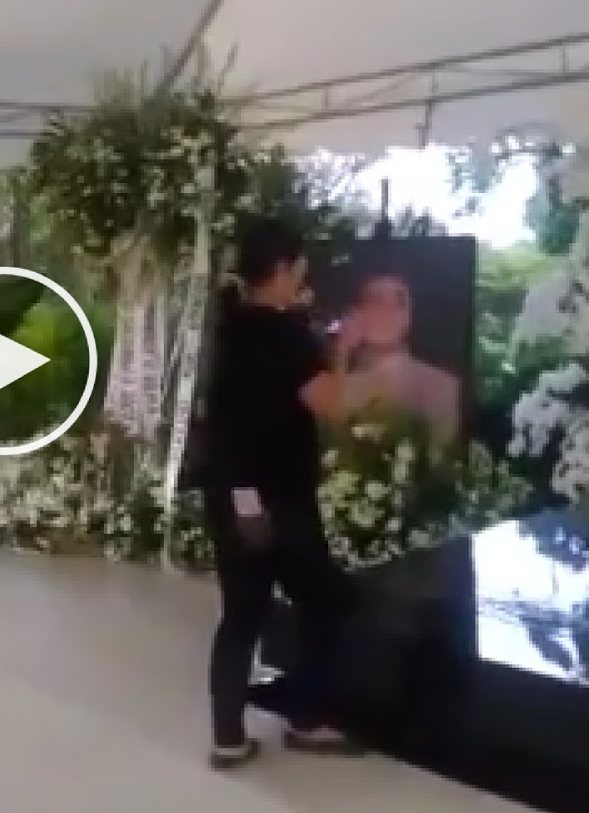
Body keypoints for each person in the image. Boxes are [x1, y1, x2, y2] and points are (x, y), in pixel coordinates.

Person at [201, 219, 364, 769]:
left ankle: (227, 736)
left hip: (232, 497)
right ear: (281, 269)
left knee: (242, 613)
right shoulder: (288, 336)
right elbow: (332, 407)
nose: (303, 278)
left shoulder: (230, 329)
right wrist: (340, 351)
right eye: (299, 269)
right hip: (281, 499)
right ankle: (307, 718)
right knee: (325, 600)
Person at [339, 266, 460, 443]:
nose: (388, 310)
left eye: (400, 302)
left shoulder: (442, 386)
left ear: (408, 317)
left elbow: (446, 453)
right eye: (376, 300)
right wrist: (341, 353)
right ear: (357, 313)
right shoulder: (339, 385)